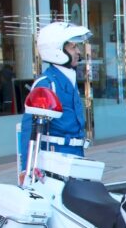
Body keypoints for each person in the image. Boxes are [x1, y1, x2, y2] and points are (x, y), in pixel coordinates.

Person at [18, 22, 92, 181]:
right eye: (73, 47)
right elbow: (28, 129)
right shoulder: (46, 83)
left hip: (75, 154)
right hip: (56, 158)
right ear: (57, 50)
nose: (78, 52)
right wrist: (27, 169)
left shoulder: (68, 79)